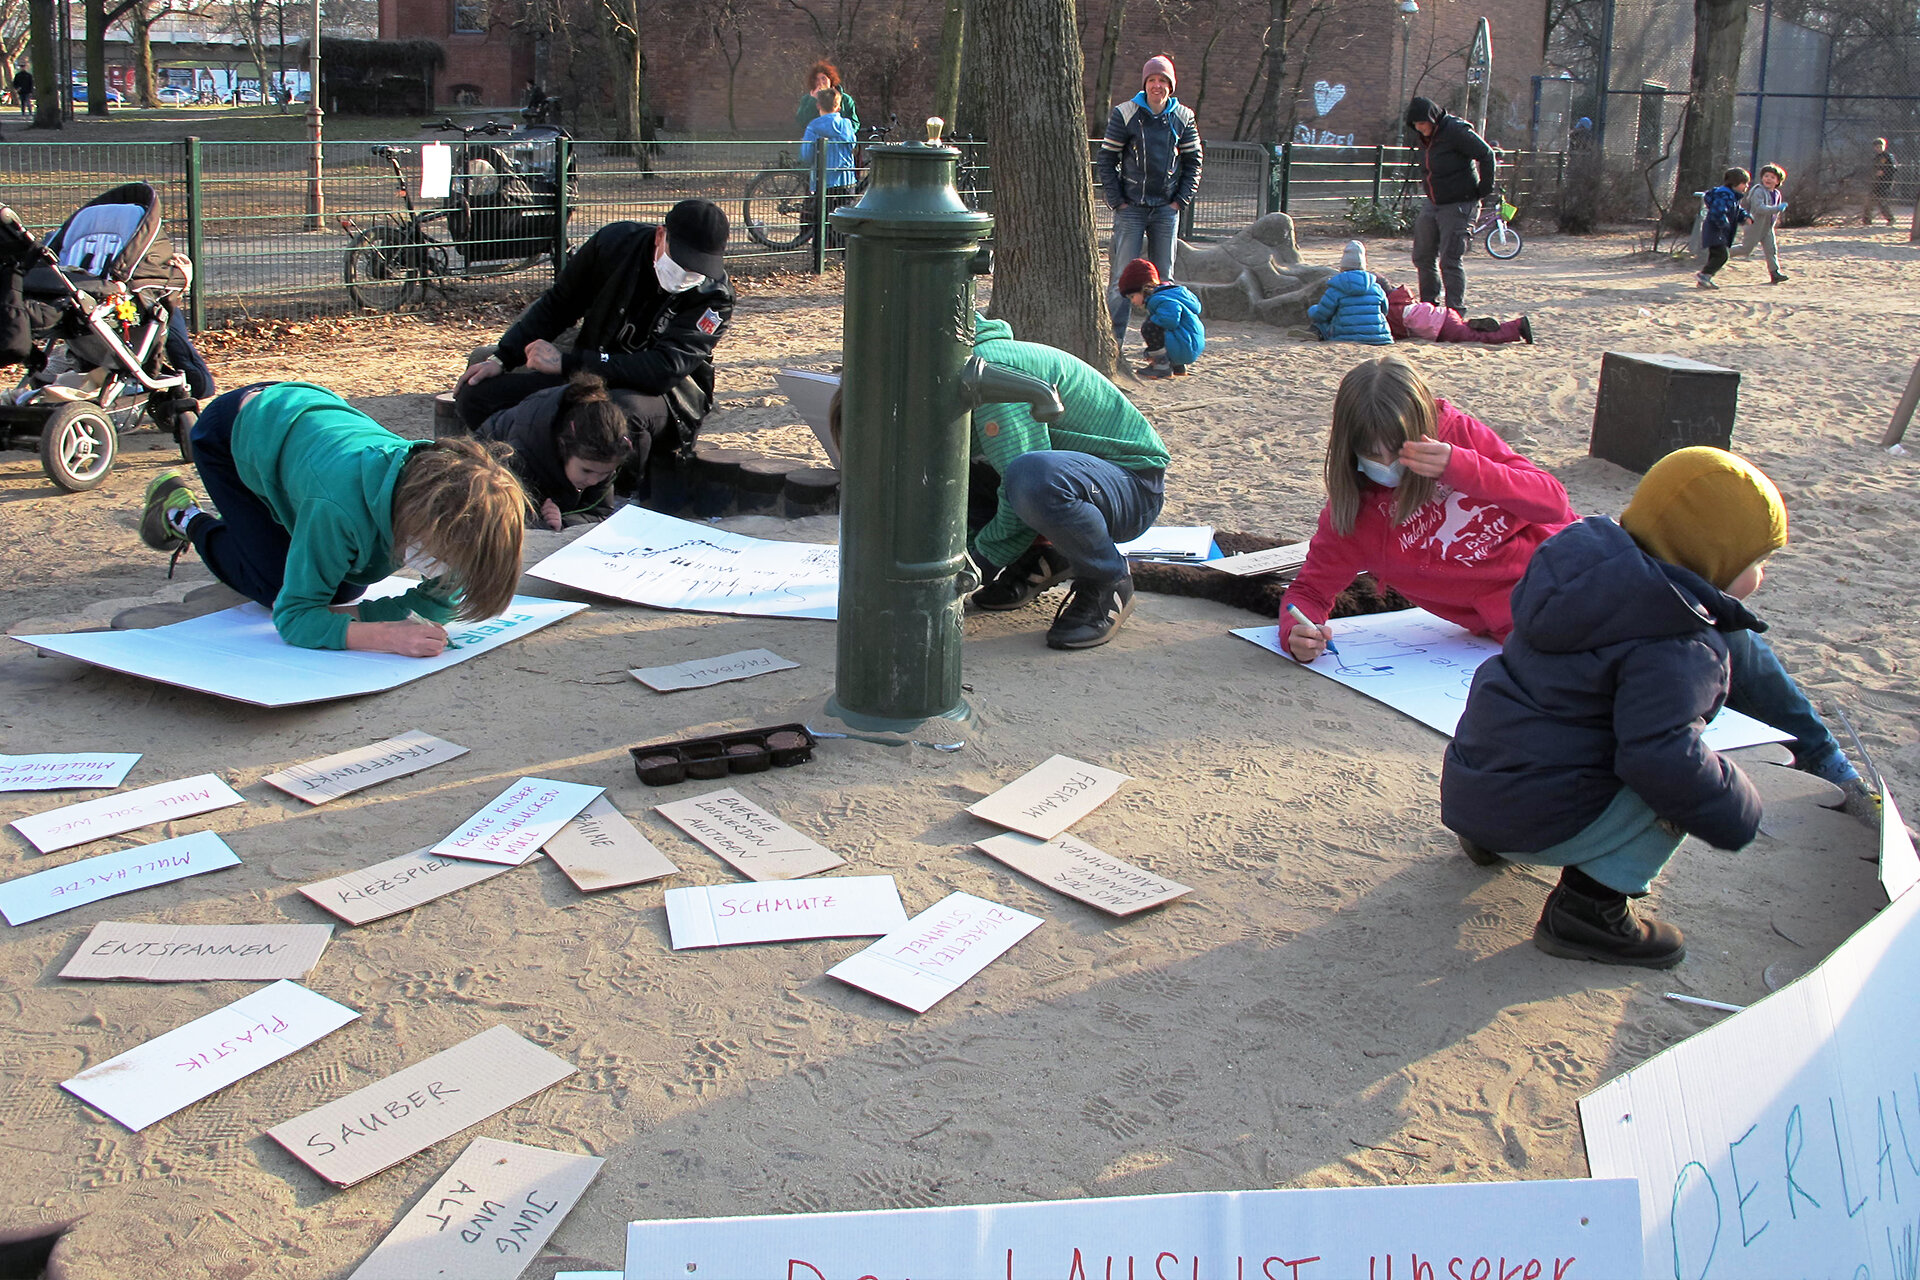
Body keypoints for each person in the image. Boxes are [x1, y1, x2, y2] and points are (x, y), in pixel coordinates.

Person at [1279, 355, 1876, 819]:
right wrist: (1298, 629)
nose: (1386, 464)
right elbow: (1311, 589)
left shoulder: (1458, 436)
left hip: (1588, 567)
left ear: (1426, 429)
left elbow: (1550, 498)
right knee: (1656, 678)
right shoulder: (1354, 512)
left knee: (1712, 625)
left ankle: (1828, 762)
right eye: (1371, 454)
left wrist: (1460, 465)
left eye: (1400, 451)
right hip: (1536, 626)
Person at [1440, 448, 1788, 968]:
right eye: (1755, 560)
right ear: (1712, 555)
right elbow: (1659, 757)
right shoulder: (1678, 637)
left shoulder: (1572, 573)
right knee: (1676, 779)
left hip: (1473, 790)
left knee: (1543, 709)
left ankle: (1488, 838)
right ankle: (1589, 911)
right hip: (1537, 818)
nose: (1759, 574)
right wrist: (1735, 804)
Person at [136, 381, 525, 656]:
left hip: (304, 422)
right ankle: (182, 514)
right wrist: (384, 635)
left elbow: (445, 600)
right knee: (276, 585)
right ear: (421, 522)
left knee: (343, 589)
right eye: (446, 556)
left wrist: (364, 622)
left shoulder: (453, 509)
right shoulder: (339, 508)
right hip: (233, 432)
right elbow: (294, 617)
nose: (445, 569)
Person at [454, 199, 733, 476]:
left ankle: (610, 498)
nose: (686, 274)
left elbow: (664, 370)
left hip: (661, 398)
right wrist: (503, 357)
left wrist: (570, 363)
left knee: (619, 415)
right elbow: (560, 303)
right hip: (589, 375)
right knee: (476, 395)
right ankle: (521, 472)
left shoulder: (715, 296)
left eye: (698, 268)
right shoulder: (613, 243)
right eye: (681, 261)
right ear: (661, 235)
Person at [967, 313, 1171, 650]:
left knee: (1030, 476)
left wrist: (980, 561)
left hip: (1131, 484)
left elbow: (1020, 474)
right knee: (968, 473)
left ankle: (1107, 578)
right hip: (1077, 477)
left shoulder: (989, 372)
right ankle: (1048, 555)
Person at [1097, 56, 1202, 353]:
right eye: (1153, 80)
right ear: (1145, 83)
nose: (1158, 86)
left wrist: (1180, 201)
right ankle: (1112, 345)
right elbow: (1107, 158)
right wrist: (1118, 201)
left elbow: (1194, 161)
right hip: (1132, 206)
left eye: (1163, 81)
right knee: (1122, 277)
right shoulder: (1126, 113)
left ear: (1171, 85)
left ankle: (1163, 346)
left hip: (1166, 209)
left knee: (1164, 280)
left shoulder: (1183, 116)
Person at [476, 371, 632, 532]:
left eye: (604, 473)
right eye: (586, 470)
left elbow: (599, 511)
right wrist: (542, 522)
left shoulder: (606, 454)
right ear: (563, 446)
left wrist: (564, 521)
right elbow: (502, 513)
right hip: (487, 475)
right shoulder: (519, 451)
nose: (593, 481)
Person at [1404, 96, 1497, 315]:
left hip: (1460, 202)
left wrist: (1484, 189)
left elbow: (1486, 154)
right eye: (1415, 125)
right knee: (1422, 256)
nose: (1419, 129)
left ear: (1432, 119)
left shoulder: (1456, 131)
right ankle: (1430, 306)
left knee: (1450, 259)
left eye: (1422, 124)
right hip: (1433, 202)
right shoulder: (1424, 137)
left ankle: (1455, 312)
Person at [1114, 257, 1204, 378]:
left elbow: (1171, 320)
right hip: (1190, 346)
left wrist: (1151, 350)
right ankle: (1178, 366)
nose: (1133, 301)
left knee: (1149, 327)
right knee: (1159, 325)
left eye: (1132, 296)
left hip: (1183, 347)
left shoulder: (1159, 299)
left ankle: (1162, 366)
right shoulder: (1173, 294)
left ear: (1144, 288)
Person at [1382, 279, 1532, 345]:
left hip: (1440, 327)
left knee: (1475, 337)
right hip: (1443, 315)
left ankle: (1516, 326)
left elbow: (1393, 331)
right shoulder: (1402, 299)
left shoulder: (1391, 311)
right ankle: (1472, 324)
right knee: (1464, 329)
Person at [800, 86, 858, 247]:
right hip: (846, 180)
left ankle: (818, 261)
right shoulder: (846, 124)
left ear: (818, 105)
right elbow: (852, 144)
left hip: (822, 181)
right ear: (838, 107)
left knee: (821, 222)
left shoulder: (813, 126)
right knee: (845, 222)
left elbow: (806, 155)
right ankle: (846, 256)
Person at [1307, 241, 1392, 346]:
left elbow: (1321, 315)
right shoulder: (1376, 287)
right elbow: (1385, 310)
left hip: (1344, 337)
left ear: (1342, 266)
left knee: (1320, 322)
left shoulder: (1336, 288)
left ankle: (1314, 333)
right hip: (1379, 337)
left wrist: (1312, 310)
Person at [1732, 163, 1789, 284]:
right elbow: (1759, 208)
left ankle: (1775, 273)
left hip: (1767, 227)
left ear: (1778, 181)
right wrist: (1777, 208)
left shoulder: (1777, 194)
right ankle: (1720, 254)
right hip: (1754, 225)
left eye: (1772, 177)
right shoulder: (1758, 191)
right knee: (1745, 249)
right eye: (1766, 176)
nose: (1768, 179)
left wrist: (1776, 215)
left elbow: (1773, 212)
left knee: (1771, 250)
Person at [1696, 168, 1751, 290]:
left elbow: (1737, 210)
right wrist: (1723, 224)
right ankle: (1704, 275)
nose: (1746, 186)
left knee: (1715, 255)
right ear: (1735, 182)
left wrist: (1745, 216)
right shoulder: (1724, 195)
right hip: (1715, 230)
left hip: (1720, 230)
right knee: (1722, 255)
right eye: (1744, 183)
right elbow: (1717, 211)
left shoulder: (1732, 197)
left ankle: (1705, 279)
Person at [795, 61, 858, 138]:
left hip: (839, 142)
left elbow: (854, 124)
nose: (820, 83)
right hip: (815, 140)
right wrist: (813, 100)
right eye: (817, 80)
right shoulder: (807, 99)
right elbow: (802, 122)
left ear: (831, 79)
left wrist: (843, 133)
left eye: (823, 78)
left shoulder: (845, 99)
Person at [1864, 137, 1897, 226]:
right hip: (1876, 182)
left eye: (1880, 146)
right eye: (1876, 147)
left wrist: (1884, 171)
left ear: (1884, 146)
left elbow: (1893, 168)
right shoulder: (1876, 157)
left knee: (1881, 201)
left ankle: (1890, 218)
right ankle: (1867, 219)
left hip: (1885, 182)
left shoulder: (1888, 156)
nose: (1878, 149)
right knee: (1870, 200)